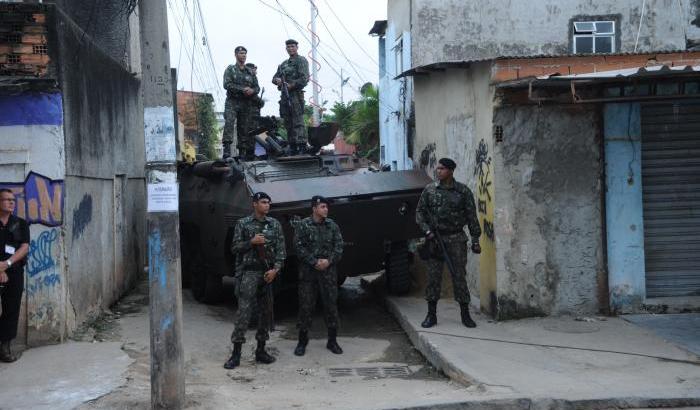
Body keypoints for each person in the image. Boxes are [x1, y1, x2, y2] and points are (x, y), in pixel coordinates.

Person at [415, 158, 482, 329]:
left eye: (442, 169)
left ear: (451, 171)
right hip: (435, 240)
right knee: (433, 278)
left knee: (459, 276)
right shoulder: (429, 190)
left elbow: (472, 218)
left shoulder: (463, 191)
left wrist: (475, 240)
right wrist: (427, 231)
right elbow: (420, 213)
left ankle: (465, 314)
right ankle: (431, 315)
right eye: (437, 168)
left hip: (456, 239)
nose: (438, 171)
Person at [225, 192, 286, 369]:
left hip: (267, 274)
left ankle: (261, 351)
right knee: (244, 313)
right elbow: (234, 248)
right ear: (254, 204)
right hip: (249, 274)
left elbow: (281, 252)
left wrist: (275, 270)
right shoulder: (243, 223)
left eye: (269, 203)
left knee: (265, 314)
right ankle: (236, 354)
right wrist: (251, 242)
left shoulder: (274, 225)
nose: (267, 205)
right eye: (263, 202)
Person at [293, 196, 343, 356]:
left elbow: (339, 246)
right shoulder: (303, 225)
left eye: (326, 207)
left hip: (328, 273)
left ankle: (332, 341)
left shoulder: (332, 225)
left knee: (331, 306)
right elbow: (298, 247)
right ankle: (302, 341)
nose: (326, 209)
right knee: (306, 306)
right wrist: (314, 261)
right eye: (322, 207)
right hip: (309, 273)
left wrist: (328, 261)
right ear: (314, 209)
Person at [0, 189, 29, 362]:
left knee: (11, 309)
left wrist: (6, 265)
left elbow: (24, 247)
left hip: (14, 271)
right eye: (7, 200)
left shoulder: (20, 223)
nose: (11, 202)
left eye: (13, 200)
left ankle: (5, 347)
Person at [272, 39, 309, 155]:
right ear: (286, 49)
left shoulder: (301, 60)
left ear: (297, 47)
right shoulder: (283, 64)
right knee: (287, 121)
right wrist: (277, 80)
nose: (290, 49)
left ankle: (302, 145)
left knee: (298, 120)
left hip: (295, 95)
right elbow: (274, 78)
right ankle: (292, 146)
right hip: (284, 95)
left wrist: (291, 85)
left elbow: (305, 78)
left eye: (292, 46)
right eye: (288, 47)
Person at [222, 46, 260, 160]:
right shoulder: (230, 69)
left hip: (245, 103)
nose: (243, 55)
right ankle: (227, 150)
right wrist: (243, 89)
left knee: (244, 127)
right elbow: (227, 84)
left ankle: (242, 152)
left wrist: (252, 90)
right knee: (229, 123)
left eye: (244, 53)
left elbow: (257, 87)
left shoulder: (250, 72)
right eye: (241, 53)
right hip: (232, 102)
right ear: (235, 55)